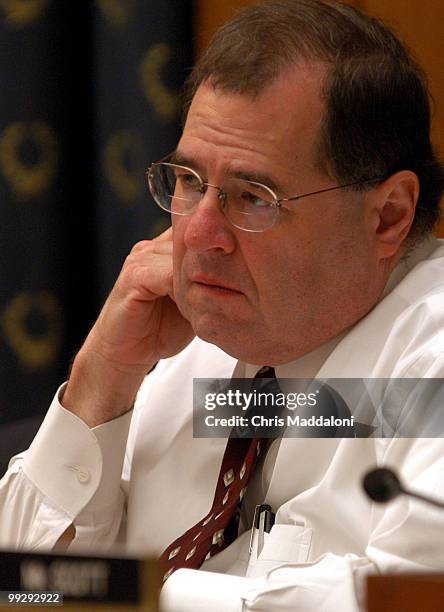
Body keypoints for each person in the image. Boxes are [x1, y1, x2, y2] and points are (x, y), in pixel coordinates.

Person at [1, 0, 444, 609]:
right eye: (188, 182)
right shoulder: (195, 347)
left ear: (388, 215)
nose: (199, 233)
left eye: (253, 197)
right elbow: (27, 591)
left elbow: (414, 597)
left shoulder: (428, 363)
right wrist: (100, 378)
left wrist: (149, 598)